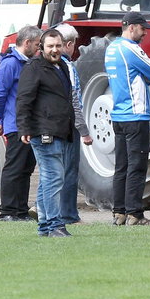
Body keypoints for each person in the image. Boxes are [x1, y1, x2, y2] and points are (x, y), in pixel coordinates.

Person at [16, 29, 85, 238]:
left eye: (58, 45)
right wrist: (24, 128)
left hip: (62, 131)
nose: (55, 49)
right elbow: (23, 100)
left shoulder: (62, 66)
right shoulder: (34, 68)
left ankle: (46, 225)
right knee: (54, 177)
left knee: (50, 178)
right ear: (41, 47)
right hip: (44, 131)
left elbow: (68, 99)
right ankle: (55, 225)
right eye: (50, 46)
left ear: (63, 45)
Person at [105, 11, 150, 226]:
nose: (144, 34)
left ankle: (119, 212)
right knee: (137, 166)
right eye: (142, 29)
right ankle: (135, 214)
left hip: (118, 115)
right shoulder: (131, 49)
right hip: (135, 115)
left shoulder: (111, 48)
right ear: (131, 27)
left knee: (121, 166)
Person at [0, 25, 42, 222]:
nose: (39, 49)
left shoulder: (28, 62)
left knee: (26, 168)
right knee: (14, 168)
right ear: (27, 43)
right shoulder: (11, 64)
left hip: (27, 124)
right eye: (37, 45)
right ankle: (9, 211)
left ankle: (20, 210)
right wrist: (2, 120)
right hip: (15, 124)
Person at [53, 23, 94, 225]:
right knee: (69, 170)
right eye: (74, 44)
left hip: (52, 125)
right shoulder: (67, 67)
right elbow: (75, 99)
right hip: (69, 126)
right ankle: (68, 215)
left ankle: (47, 210)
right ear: (68, 44)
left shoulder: (46, 66)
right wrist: (84, 129)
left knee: (53, 169)